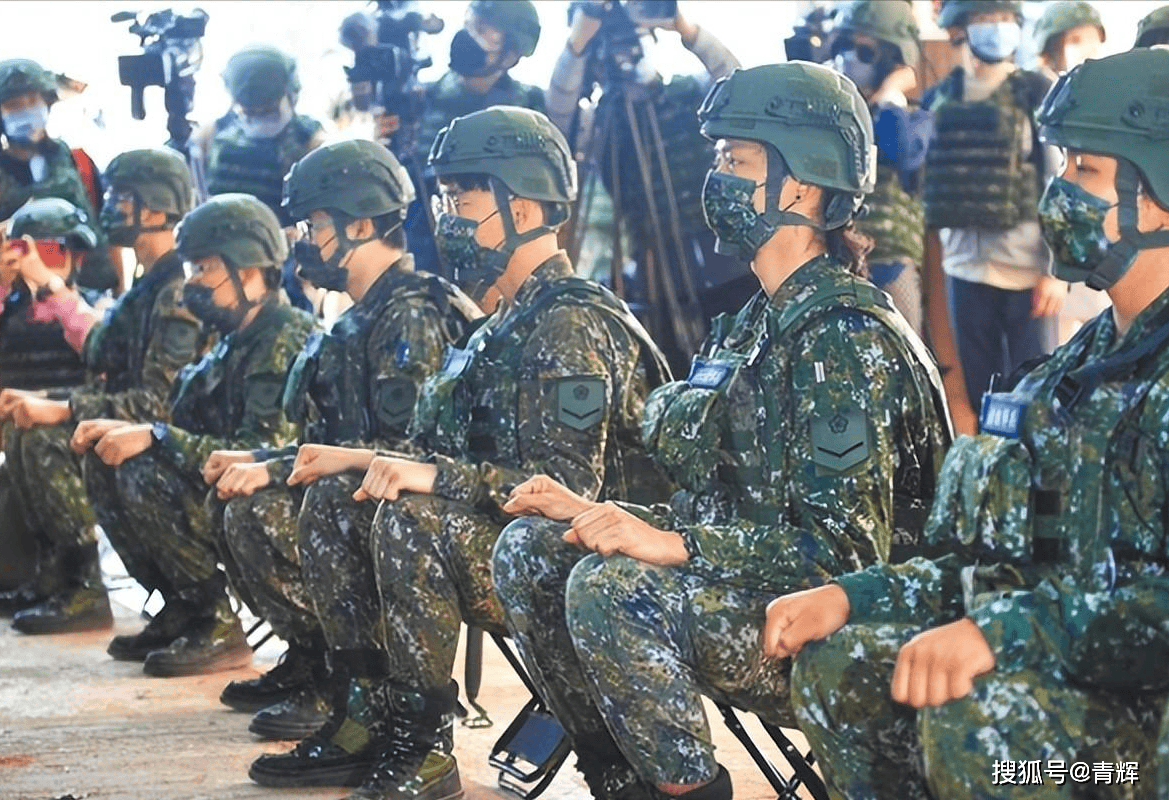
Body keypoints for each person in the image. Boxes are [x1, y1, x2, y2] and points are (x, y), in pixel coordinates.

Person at [494, 62, 954, 800]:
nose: (715, 179)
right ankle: (621, 775)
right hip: (753, 582)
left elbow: (840, 554)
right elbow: (731, 508)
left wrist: (674, 545)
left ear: (799, 185)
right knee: (535, 548)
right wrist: (602, 515)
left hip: (829, 624)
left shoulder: (841, 338)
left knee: (615, 589)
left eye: (734, 161)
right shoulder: (752, 324)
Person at [769, 48, 1169, 800]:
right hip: (1073, 678)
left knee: (976, 718)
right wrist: (854, 596)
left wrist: (1004, 634)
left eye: (1082, 172)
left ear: (1158, 196)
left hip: (1138, 753)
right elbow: (994, 566)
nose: (1055, 196)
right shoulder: (1070, 372)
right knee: (844, 663)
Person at [329, 105, 669, 800]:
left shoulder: (569, 322)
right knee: (350, 498)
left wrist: (434, 477)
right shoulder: (504, 321)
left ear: (527, 203)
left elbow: (565, 489)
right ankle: (363, 715)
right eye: (444, 197)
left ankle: (420, 744)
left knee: (410, 518)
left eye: (466, 196)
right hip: (516, 542)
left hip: (582, 561)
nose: (449, 214)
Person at [200, 140, 479, 748]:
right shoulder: (358, 315)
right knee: (237, 494)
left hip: (415, 512)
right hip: (367, 495)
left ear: (359, 224)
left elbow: (406, 449)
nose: (302, 240)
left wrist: (275, 473)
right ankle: (318, 662)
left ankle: (352, 689)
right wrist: (266, 461)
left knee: (263, 509)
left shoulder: (409, 314)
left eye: (313, 224)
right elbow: (336, 442)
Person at [78, 193, 314, 676]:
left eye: (204, 270)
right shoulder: (233, 340)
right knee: (110, 458)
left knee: (145, 469)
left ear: (249, 272)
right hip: (223, 486)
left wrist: (158, 438)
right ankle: (184, 605)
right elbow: (189, 427)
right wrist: (137, 430)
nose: (192, 286)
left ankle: (214, 619)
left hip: (279, 498)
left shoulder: (283, 336)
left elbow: (260, 448)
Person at [0, 149, 205, 633]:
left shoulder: (177, 288)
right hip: (144, 425)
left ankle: (86, 587)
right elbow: (102, 350)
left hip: (178, 440)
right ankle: (62, 572)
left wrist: (62, 409)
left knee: (44, 433)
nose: (111, 207)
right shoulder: (151, 282)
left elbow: (159, 404)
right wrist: (47, 285)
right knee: (23, 424)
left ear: (158, 206)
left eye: (124, 197)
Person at [547, 0, 749, 377]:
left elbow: (740, 84)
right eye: (613, 46)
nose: (626, 55)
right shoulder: (598, 122)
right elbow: (557, 121)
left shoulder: (689, 94)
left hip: (729, 260)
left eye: (633, 42)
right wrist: (577, 43)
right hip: (661, 269)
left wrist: (688, 30)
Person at [0, 198, 111, 630]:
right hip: (21, 457)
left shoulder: (90, 306)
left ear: (77, 255)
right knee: (4, 573)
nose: (41, 261)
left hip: (75, 449)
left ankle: (84, 581)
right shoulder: (6, 309)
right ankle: (52, 576)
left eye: (53, 251)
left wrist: (52, 289)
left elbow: (101, 347)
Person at [923, 0, 1065, 426]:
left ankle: (1038, 491)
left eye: (1005, 20)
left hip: (1029, 273)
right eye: (986, 19)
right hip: (966, 272)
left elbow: (1058, 181)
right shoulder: (939, 98)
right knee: (984, 402)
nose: (997, 29)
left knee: (1036, 401)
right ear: (959, 27)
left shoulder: (1036, 91)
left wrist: (1057, 270)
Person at [398, 0, 546, 279]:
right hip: (424, 254)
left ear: (512, 54)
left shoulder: (529, 105)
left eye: (484, 31)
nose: (470, 36)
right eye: (470, 24)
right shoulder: (421, 99)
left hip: (500, 259)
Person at [191, 44, 325, 311]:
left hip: (285, 273)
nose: (259, 118)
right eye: (250, 112)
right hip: (221, 265)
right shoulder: (211, 137)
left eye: (268, 110)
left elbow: (321, 225)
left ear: (292, 95)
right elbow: (199, 203)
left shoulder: (310, 142)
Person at [0, 59, 122, 294]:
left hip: (91, 294)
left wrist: (120, 287)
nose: (26, 110)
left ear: (48, 102)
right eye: (14, 105)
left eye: (33, 101)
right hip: (20, 305)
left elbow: (105, 229)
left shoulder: (77, 162)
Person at [831, 0, 932, 335]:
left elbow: (899, 151)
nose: (850, 57)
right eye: (846, 46)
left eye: (865, 50)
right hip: (836, 268)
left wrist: (889, 94)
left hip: (889, 268)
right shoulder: (833, 115)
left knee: (905, 361)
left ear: (890, 59)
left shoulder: (914, 119)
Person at [1032, 1, 1110, 344]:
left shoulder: (1105, 99)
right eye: (1076, 39)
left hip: (1099, 249)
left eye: (1093, 39)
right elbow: (1052, 188)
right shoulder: (1044, 103)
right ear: (1051, 48)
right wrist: (1055, 271)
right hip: (1058, 259)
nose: (1087, 49)